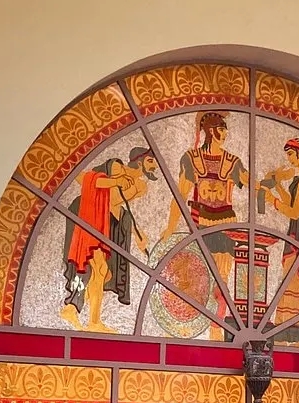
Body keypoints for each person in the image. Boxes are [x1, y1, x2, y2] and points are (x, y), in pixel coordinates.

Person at [163, 111, 247, 338]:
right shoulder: (192, 159)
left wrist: (270, 188)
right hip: (200, 224)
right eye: (221, 129)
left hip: (226, 225)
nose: (225, 133)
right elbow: (180, 196)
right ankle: (188, 329)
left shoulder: (232, 162)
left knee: (221, 282)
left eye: (225, 129)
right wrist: (170, 228)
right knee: (195, 279)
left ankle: (216, 331)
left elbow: (250, 183)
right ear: (210, 131)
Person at [61, 147, 156, 333]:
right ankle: (86, 317)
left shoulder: (133, 187)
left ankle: (78, 312)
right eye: (150, 161)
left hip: (102, 230)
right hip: (89, 227)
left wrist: (138, 234)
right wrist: (116, 180)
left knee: (103, 273)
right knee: (98, 270)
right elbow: (86, 178)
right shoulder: (106, 174)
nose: (155, 166)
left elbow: (117, 207)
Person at [259, 137, 299, 344]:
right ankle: (294, 333)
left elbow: (294, 212)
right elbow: (293, 202)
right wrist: (277, 187)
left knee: (297, 285)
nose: (289, 159)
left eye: (291, 155)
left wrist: (272, 200)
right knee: (292, 285)